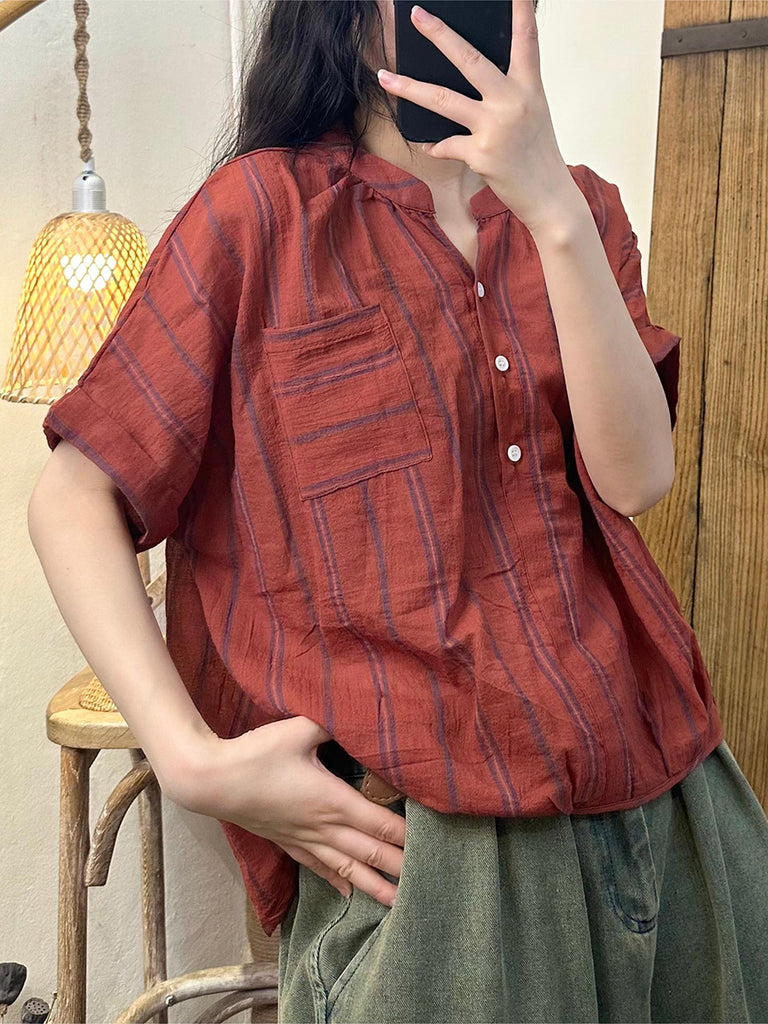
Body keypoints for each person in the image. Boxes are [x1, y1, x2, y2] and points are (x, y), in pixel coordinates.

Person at [28, 1, 768, 1021]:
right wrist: (189, 760)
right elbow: (76, 494)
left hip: (675, 807)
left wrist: (551, 208)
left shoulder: (581, 210)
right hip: (436, 867)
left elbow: (637, 477)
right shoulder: (262, 217)